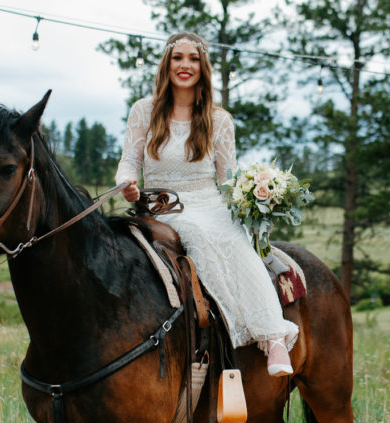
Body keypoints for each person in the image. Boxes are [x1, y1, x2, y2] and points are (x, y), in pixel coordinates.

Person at [116, 32, 297, 377]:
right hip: (163, 205)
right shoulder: (144, 110)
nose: (185, 65)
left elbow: (228, 178)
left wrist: (252, 200)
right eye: (178, 58)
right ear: (167, 64)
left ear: (203, 67)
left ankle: (273, 336)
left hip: (209, 200)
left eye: (193, 59)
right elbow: (129, 160)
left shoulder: (219, 119)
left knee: (235, 239)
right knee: (196, 234)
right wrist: (125, 182)